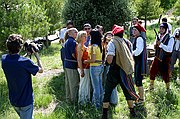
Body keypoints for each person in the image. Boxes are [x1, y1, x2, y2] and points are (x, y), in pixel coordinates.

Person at [1, 34, 43, 119]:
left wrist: (26, 55)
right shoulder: (25, 62)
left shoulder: (4, 59)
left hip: (14, 99)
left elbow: (16, 61)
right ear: (20, 47)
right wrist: (37, 55)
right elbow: (41, 70)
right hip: (25, 101)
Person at [102, 25, 139, 119]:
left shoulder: (112, 42)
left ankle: (105, 114)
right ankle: (132, 112)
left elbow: (110, 59)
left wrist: (106, 60)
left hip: (114, 70)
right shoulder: (127, 42)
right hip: (125, 70)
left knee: (107, 91)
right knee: (127, 91)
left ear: (114, 33)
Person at [149, 23, 174, 91]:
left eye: (162, 28)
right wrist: (155, 45)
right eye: (160, 28)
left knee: (165, 74)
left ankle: (168, 89)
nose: (161, 30)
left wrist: (161, 45)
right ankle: (151, 87)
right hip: (157, 57)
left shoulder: (170, 38)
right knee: (152, 71)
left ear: (166, 29)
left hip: (165, 58)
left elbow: (169, 49)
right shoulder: (158, 36)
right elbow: (154, 45)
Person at [84, 29, 104, 108]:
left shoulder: (93, 47)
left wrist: (86, 61)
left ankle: (96, 104)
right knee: (99, 85)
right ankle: (102, 101)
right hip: (100, 66)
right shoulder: (99, 46)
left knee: (96, 87)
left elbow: (92, 59)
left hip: (94, 67)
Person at [132, 24, 148, 104]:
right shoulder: (137, 38)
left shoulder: (139, 39)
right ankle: (140, 96)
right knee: (137, 80)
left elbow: (138, 51)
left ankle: (141, 99)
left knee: (138, 81)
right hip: (137, 62)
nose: (133, 31)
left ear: (139, 31)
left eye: (135, 30)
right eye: (133, 29)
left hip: (139, 62)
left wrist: (130, 53)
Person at [102, 31, 118, 106]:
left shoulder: (113, 45)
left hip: (111, 65)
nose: (109, 37)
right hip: (104, 65)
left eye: (111, 36)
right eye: (107, 36)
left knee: (111, 83)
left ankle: (113, 100)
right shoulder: (103, 45)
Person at [64, 28, 80, 103]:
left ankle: (68, 99)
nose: (76, 33)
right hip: (72, 65)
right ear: (70, 33)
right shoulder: (72, 42)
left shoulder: (67, 41)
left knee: (68, 84)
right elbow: (74, 54)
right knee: (74, 83)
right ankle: (74, 101)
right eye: (75, 32)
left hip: (67, 65)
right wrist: (80, 59)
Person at [76, 31, 91, 105]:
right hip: (83, 68)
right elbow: (79, 59)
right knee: (83, 84)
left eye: (86, 36)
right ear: (80, 37)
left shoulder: (83, 45)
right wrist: (82, 71)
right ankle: (82, 101)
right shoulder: (80, 46)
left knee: (86, 84)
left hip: (87, 67)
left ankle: (86, 100)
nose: (86, 37)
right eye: (84, 36)